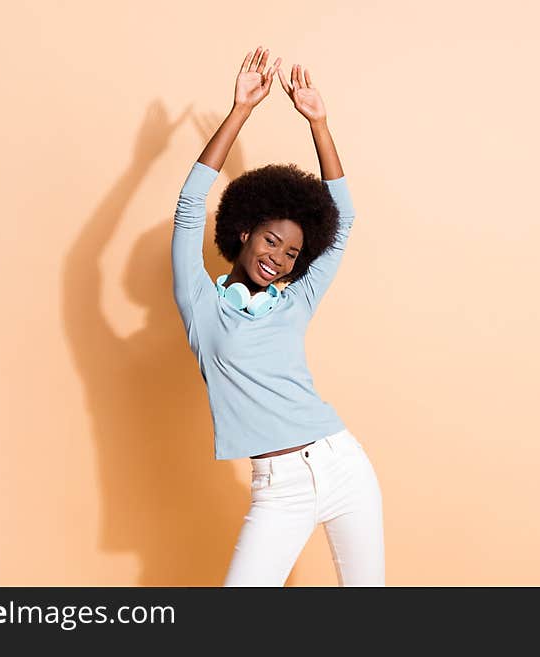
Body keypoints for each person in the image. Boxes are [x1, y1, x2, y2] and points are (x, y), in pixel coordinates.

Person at [171, 45, 384, 586]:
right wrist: (240, 110)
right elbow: (190, 206)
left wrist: (319, 122)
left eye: (292, 253)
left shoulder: (295, 301)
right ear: (244, 231)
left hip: (343, 464)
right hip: (277, 486)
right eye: (271, 240)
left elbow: (347, 218)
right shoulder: (201, 303)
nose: (279, 257)